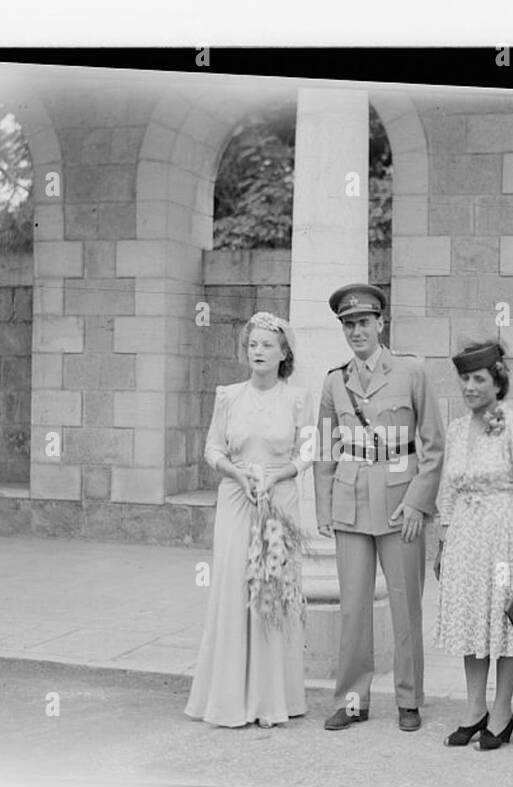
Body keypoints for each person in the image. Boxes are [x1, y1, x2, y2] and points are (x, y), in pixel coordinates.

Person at [313, 283, 446, 733]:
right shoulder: (335, 381)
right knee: (354, 609)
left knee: (406, 606)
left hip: (399, 504)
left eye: (364, 322)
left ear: (381, 324)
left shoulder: (411, 372)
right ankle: (352, 701)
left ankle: (408, 699)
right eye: (349, 324)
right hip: (350, 503)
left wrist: (417, 503)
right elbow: (325, 448)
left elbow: (433, 444)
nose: (357, 331)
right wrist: (324, 509)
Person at [185, 312, 314, 728]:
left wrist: (277, 476)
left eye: (267, 345)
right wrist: (237, 475)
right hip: (236, 498)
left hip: (279, 500)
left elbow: (308, 451)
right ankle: (227, 698)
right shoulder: (228, 396)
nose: (258, 351)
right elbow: (212, 448)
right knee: (233, 587)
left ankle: (271, 698)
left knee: (272, 591)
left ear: (283, 354)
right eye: (253, 344)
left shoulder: (299, 398)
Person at [434, 340, 513, 750]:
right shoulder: (457, 429)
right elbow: (448, 489)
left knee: (505, 618)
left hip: (502, 537)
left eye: (479, 379)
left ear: (498, 383)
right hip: (465, 537)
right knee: (470, 619)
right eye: (464, 379)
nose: (470, 387)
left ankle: (502, 712)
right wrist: (443, 542)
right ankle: (474, 709)